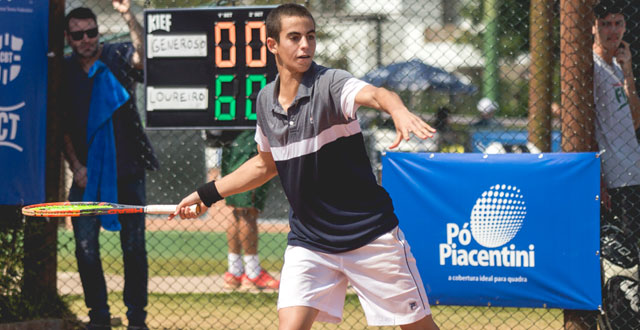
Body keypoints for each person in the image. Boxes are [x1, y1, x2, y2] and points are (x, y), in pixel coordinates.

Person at [171, 4, 440, 330]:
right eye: (294, 37)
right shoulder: (265, 101)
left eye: (310, 37)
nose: (305, 46)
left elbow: (378, 94)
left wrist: (397, 110)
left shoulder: (332, 84)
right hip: (310, 243)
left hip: (369, 237)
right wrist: (206, 194)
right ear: (272, 44)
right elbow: (263, 165)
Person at [62, 2, 158, 329]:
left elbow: (142, 58)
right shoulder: (63, 71)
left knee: (134, 248)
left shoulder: (116, 55)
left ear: (97, 32)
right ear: (68, 37)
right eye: (78, 35)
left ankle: (136, 319)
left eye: (91, 32)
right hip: (86, 174)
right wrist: (76, 166)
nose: (86, 39)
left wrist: (128, 16)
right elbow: (60, 126)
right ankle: (99, 318)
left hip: (128, 171)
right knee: (86, 248)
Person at [592, 0, 640, 244]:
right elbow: (585, 126)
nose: (612, 30)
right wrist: (598, 176)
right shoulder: (591, 66)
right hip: (611, 176)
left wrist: (628, 71)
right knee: (618, 247)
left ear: (625, 27)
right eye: (605, 24)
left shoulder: (618, 65)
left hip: (632, 170)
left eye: (617, 24)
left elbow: (635, 121)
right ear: (593, 27)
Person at [219, 131, 279, 290]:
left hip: (230, 143)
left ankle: (235, 272)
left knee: (237, 211)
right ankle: (252, 274)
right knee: (247, 211)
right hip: (248, 143)